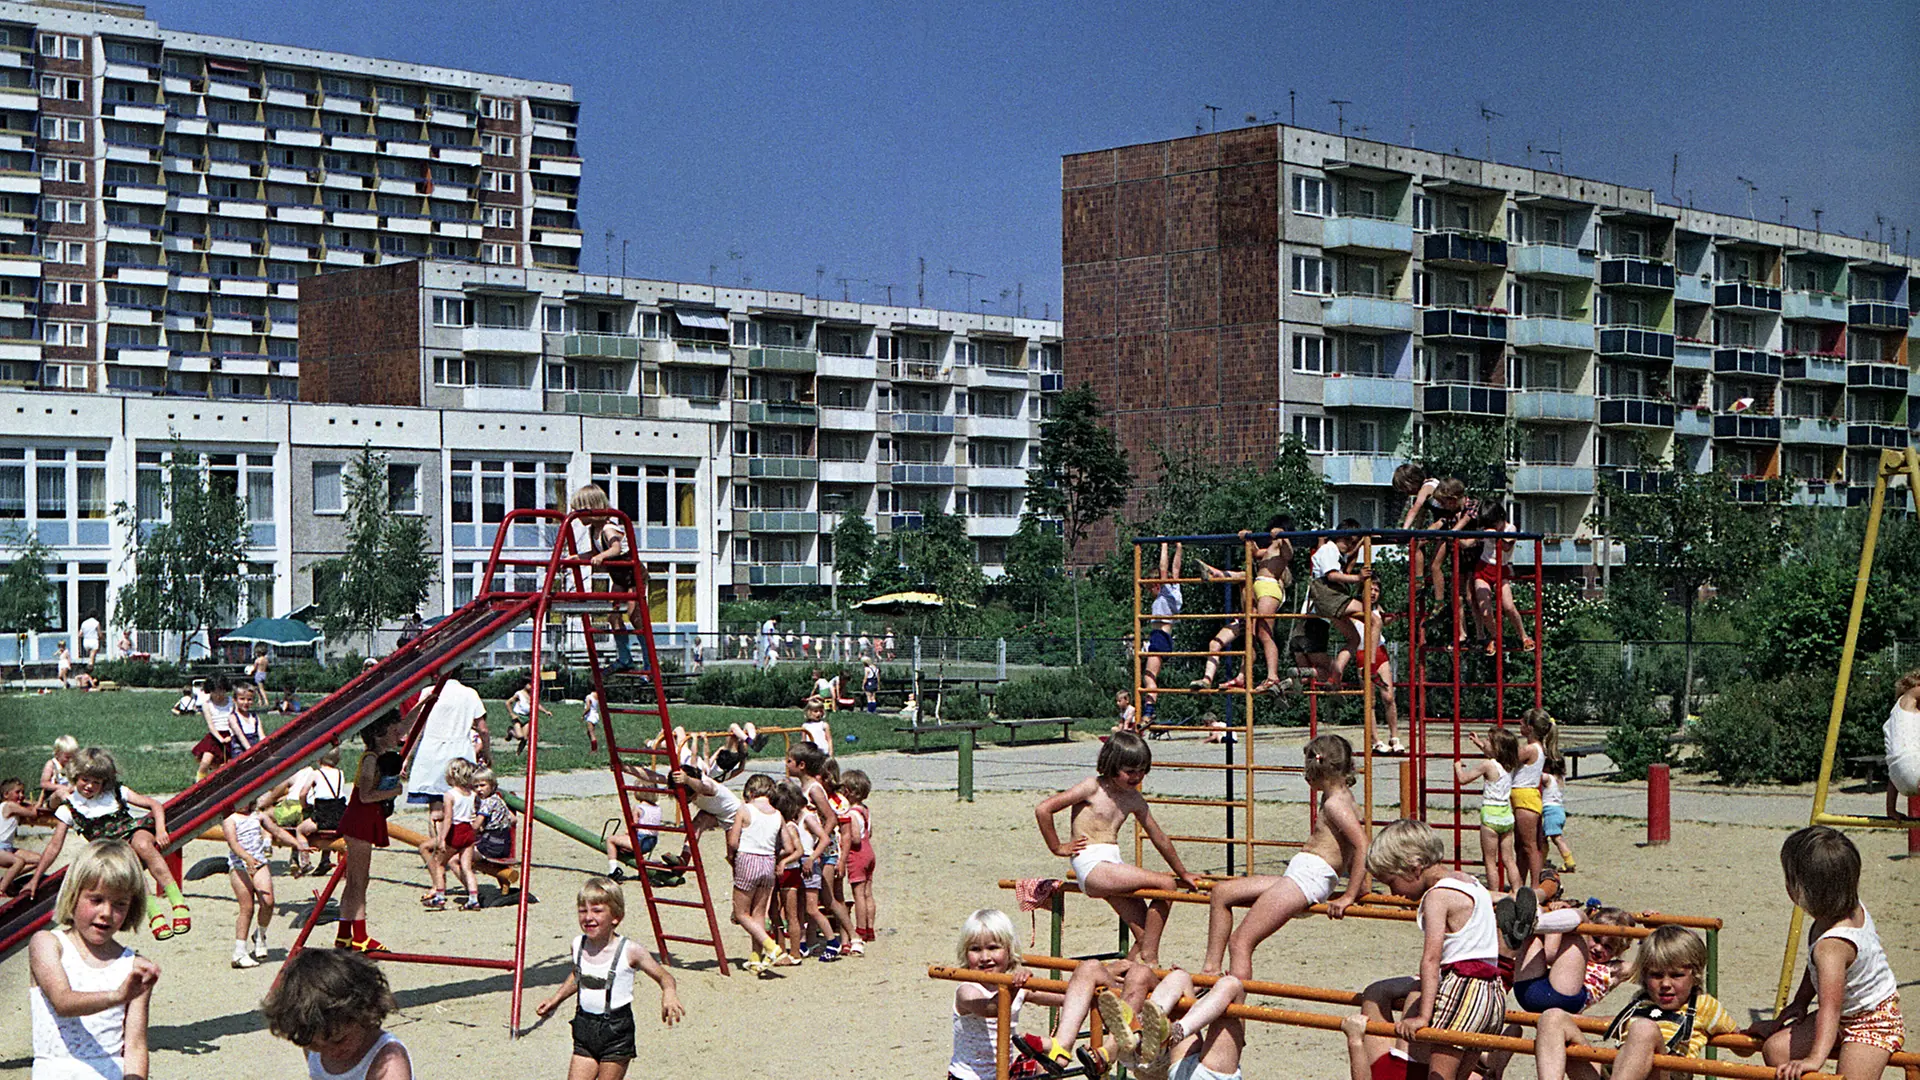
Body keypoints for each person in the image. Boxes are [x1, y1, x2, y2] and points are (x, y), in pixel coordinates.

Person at [1202, 734, 1371, 978]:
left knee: (1240, 942)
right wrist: (1361, 887)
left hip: (1308, 879)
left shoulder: (1336, 804)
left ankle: (1232, 1003)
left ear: (1316, 771)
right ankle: (1210, 970)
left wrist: (1349, 895)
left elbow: (1362, 845)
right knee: (1221, 893)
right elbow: (1349, 846)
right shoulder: (1340, 797)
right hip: (1300, 876)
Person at [1035, 730, 1200, 965]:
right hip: (1091, 864)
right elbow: (1044, 809)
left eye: (1142, 771)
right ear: (1112, 766)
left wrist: (1183, 871)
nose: (1136, 777)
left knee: (1145, 934)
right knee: (1166, 884)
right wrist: (1057, 847)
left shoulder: (1134, 799)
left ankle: (1118, 983)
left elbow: (1158, 836)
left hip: (1112, 864)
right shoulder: (1092, 787)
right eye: (1130, 771)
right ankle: (1151, 959)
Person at [1753, 826, 1903, 1080]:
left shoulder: (1832, 948)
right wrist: (1800, 1002)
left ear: (1797, 891)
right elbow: (1817, 970)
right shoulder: (1841, 910)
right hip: (1843, 1013)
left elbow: (1829, 1008)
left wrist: (1815, 1059)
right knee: (1776, 1051)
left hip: (1873, 1020)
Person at [1366, 818, 1509, 1080]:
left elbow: (1431, 959)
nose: (1393, 892)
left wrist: (1423, 1015)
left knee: (1439, 1077)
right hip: (1493, 992)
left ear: (1413, 868)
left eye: (1392, 881)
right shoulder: (1470, 883)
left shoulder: (1437, 897)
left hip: (1463, 987)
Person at [26, 748, 192, 942]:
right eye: (85, 780)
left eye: (96, 782)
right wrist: (36, 878)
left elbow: (154, 805)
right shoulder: (69, 808)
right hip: (113, 849)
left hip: (133, 831)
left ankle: (178, 901)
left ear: (104, 782)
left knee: (143, 845)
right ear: (75, 777)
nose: (89, 786)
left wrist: (162, 829)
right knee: (130, 863)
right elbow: (54, 846)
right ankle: (154, 914)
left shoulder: (115, 793)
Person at [29, 841, 160, 1080]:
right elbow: (63, 1002)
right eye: (96, 900)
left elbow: (135, 1045)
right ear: (74, 894)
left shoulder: (134, 967)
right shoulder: (48, 944)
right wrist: (118, 996)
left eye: (120, 904)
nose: (107, 913)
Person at [1535, 925, 1737, 1080]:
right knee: (1552, 1017)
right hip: (1621, 1070)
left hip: (1665, 1073)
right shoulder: (1640, 1002)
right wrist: (1575, 1020)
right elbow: (1619, 1023)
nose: (1665, 984)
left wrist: (1756, 1032)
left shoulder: (1704, 1005)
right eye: (1656, 975)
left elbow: (1739, 1041)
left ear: (1695, 975)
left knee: (1643, 1030)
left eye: (1677, 975)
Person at [534, 877, 684, 1080]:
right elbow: (578, 975)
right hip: (584, 1026)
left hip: (616, 1030)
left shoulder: (630, 950)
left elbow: (664, 976)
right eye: (582, 911)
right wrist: (556, 999)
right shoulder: (578, 945)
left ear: (616, 916)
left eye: (597, 911)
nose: (588, 917)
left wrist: (669, 993)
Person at [948, 909, 1069, 1080]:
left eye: (993, 948)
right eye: (975, 949)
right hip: (968, 1077)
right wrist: (1014, 986)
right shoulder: (967, 990)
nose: (985, 957)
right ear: (966, 954)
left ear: (1009, 951)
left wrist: (1087, 990)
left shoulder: (1017, 987)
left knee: (1044, 1064)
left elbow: (1062, 998)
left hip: (1006, 1071)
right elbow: (992, 1008)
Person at [260, 948, 413, 1080]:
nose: (329, 1051)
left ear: (364, 1015)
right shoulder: (314, 1036)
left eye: (339, 1041)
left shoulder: (388, 1061)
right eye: (314, 1045)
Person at [336, 712, 406, 952]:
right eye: (394, 732)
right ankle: (360, 936)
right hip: (360, 820)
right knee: (358, 881)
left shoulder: (376, 757)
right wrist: (394, 791)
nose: (399, 735)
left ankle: (345, 933)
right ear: (379, 734)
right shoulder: (371, 759)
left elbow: (406, 725)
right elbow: (366, 796)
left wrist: (423, 705)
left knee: (356, 880)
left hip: (363, 820)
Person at [789, 742, 862, 959]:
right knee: (807, 897)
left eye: (789, 761)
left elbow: (831, 818)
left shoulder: (814, 789)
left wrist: (821, 840)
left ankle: (853, 936)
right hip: (811, 850)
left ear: (801, 765)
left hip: (823, 851)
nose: (786, 764)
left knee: (828, 898)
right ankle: (808, 940)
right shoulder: (803, 787)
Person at [402, 669, 489, 846]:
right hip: (461, 755)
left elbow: (418, 728)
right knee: (461, 808)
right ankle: (456, 848)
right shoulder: (470, 694)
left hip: (431, 754)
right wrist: (487, 752)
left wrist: (406, 758)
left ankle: (437, 847)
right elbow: (483, 729)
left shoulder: (430, 692)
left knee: (436, 810)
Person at [1120, 966, 1249, 1080]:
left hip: (1187, 1070)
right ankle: (1164, 1028)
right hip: (1186, 1072)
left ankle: (1151, 1028)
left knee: (1231, 984)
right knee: (1180, 976)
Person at [224, 789, 300, 968]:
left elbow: (277, 832)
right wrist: (247, 858)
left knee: (268, 901)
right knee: (247, 907)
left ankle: (260, 934)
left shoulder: (257, 816)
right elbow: (233, 843)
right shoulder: (230, 819)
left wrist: (298, 845)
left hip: (259, 864)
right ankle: (239, 951)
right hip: (239, 866)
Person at [725, 773, 791, 973]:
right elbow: (788, 847)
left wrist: (732, 855)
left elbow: (733, 841)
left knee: (741, 912)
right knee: (758, 913)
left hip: (747, 859)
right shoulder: (778, 815)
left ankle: (772, 947)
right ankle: (755, 957)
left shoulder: (745, 810)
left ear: (751, 793)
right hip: (767, 861)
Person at [573, 484, 642, 674]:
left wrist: (602, 557)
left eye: (580, 512)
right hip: (619, 578)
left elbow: (615, 549)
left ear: (592, 509)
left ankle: (649, 662)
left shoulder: (608, 528)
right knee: (613, 616)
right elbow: (596, 552)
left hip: (633, 577)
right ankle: (625, 657)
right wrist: (579, 558)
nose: (577, 516)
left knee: (636, 617)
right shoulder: (593, 530)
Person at [1457, 728, 1521, 893]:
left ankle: (1494, 893)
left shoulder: (1487, 765)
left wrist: (1457, 766)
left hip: (1490, 817)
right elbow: (1493, 755)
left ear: (1496, 747)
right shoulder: (1510, 765)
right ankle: (1517, 890)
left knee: (1490, 861)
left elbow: (1463, 779)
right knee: (1508, 860)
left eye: (1487, 740)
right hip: (1506, 816)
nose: (1484, 742)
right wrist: (1479, 743)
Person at [1468, 503, 1535, 654]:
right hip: (1484, 568)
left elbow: (1506, 547)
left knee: (1509, 607)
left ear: (1501, 518)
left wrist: (1495, 535)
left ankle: (1524, 636)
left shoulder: (1510, 529)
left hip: (1501, 569)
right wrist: (1458, 538)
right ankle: (1495, 636)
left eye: (1494, 524)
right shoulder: (1487, 530)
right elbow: (1469, 542)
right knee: (1485, 609)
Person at [1309, 521, 1377, 669]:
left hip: (1329, 599)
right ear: (1337, 536)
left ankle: (1335, 673)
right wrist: (1358, 578)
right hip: (1329, 596)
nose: (1349, 545)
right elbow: (1332, 576)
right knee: (1375, 620)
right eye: (1347, 540)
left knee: (1354, 639)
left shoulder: (1337, 552)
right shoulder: (1329, 549)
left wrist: (1362, 542)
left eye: (1353, 543)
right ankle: (1372, 666)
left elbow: (1350, 556)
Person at [420, 757, 481, 911]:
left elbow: (449, 818)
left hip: (456, 831)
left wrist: (441, 839)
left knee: (440, 864)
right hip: (468, 831)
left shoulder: (450, 794)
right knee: (466, 867)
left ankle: (440, 896)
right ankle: (473, 898)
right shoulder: (471, 793)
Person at [1141, 541, 1183, 726]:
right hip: (1161, 637)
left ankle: (1149, 713)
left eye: (1150, 588)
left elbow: (1164, 568)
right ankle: (1148, 711)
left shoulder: (1166, 592)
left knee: (1149, 677)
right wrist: (1179, 548)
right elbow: (1176, 568)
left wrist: (1164, 544)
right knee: (1150, 676)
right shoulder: (1175, 590)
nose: (1149, 592)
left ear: (1157, 584)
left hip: (1159, 637)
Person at [1512, 709, 1554, 888]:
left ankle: (1535, 886)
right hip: (1523, 796)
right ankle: (1521, 884)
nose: (1519, 724)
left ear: (1529, 728)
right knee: (1521, 846)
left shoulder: (1530, 749)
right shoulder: (1537, 748)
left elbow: (1508, 759)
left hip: (1525, 797)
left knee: (1529, 846)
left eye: (1522, 722)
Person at [292, 746, 348, 878]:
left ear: (319, 758)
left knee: (300, 830)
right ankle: (324, 860)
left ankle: (305, 861)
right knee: (330, 833)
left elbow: (303, 793)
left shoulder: (316, 773)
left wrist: (304, 805)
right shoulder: (340, 773)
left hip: (323, 815)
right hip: (340, 815)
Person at [841, 768, 878, 944]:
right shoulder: (865, 810)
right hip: (869, 851)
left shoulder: (851, 814)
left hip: (857, 854)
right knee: (868, 893)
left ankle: (861, 928)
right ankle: (870, 927)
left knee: (859, 895)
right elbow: (869, 832)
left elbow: (855, 837)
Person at [1884, 669, 1920, 820]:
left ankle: (1891, 811)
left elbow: (1896, 771)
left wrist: (1891, 809)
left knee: (1896, 765)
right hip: (1915, 770)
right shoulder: (1907, 700)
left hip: (1900, 780)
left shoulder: (1896, 719)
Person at [0, 777, 44, 893]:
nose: (21, 795)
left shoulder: (12, 806)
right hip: (0, 847)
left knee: (40, 860)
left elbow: (26, 805)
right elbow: (32, 814)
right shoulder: (9, 805)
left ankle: (7, 879)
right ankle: (1, 889)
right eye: (17, 792)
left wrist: (28, 803)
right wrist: (41, 798)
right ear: (6, 794)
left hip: (7, 848)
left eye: (23, 792)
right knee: (19, 862)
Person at [193, 675, 237, 782]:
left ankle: (222, 784)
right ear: (210, 691)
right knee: (205, 762)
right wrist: (220, 738)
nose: (218, 695)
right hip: (214, 736)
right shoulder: (207, 704)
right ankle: (199, 783)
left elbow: (236, 720)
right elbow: (211, 725)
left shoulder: (231, 702)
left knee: (226, 764)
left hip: (230, 735)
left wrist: (231, 735)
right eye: (215, 691)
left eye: (221, 691)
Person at [1542, 754, 1577, 872]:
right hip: (1559, 810)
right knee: (1543, 837)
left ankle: (1569, 861)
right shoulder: (1561, 778)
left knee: (1557, 839)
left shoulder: (1547, 778)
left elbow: (1536, 775)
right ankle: (1542, 860)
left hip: (1550, 811)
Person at [505, 676, 550, 756]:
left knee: (525, 738)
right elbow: (508, 703)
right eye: (530, 684)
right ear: (525, 684)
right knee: (520, 736)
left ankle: (517, 754)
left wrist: (545, 711)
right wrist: (512, 714)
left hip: (527, 717)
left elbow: (537, 705)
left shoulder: (532, 695)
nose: (532, 686)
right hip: (518, 717)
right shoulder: (519, 694)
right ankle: (511, 731)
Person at [37, 733, 77, 810]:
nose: (70, 760)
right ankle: (75, 812)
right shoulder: (52, 764)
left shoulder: (72, 765)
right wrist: (63, 788)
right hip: (53, 798)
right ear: (57, 753)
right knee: (61, 792)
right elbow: (44, 783)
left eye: (73, 757)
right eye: (67, 757)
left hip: (70, 795)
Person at [580, 687, 603, 753]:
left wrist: (583, 715)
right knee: (589, 732)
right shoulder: (598, 696)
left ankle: (594, 750)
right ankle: (593, 747)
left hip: (590, 716)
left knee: (591, 733)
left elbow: (588, 708)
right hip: (596, 715)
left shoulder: (589, 697)